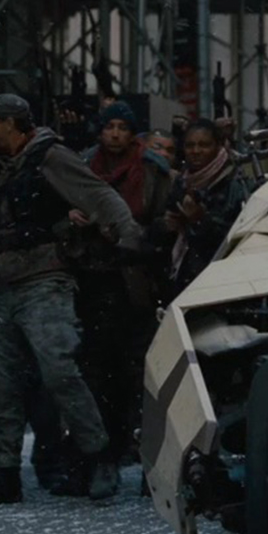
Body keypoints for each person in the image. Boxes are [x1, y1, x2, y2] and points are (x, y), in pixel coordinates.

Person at [0, 94, 144, 505]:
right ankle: (4, 468)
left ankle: (98, 454)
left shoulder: (50, 157)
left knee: (60, 371)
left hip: (44, 279)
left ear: (10, 123)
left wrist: (130, 238)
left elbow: (98, 196)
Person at [72, 101, 174, 485]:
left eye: (122, 127)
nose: (114, 134)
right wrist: (77, 222)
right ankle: (99, 455)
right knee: (95, 371)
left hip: (135, 282)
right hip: (92, 279)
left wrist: (134, 237)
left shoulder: (151, 170)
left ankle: (145, 456)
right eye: (109, 126)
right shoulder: (84, 167)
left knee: (136, 372)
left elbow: (165, 220)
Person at [161, 118, 255, 297]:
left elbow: (239, 235)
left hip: (224, 277)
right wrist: (168, 225)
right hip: (186, 274)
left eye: (204, 145)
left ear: (218, 146)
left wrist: (201, 220)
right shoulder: (182, 181)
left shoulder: (236, 182)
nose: (196, 151)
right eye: (190, 146)